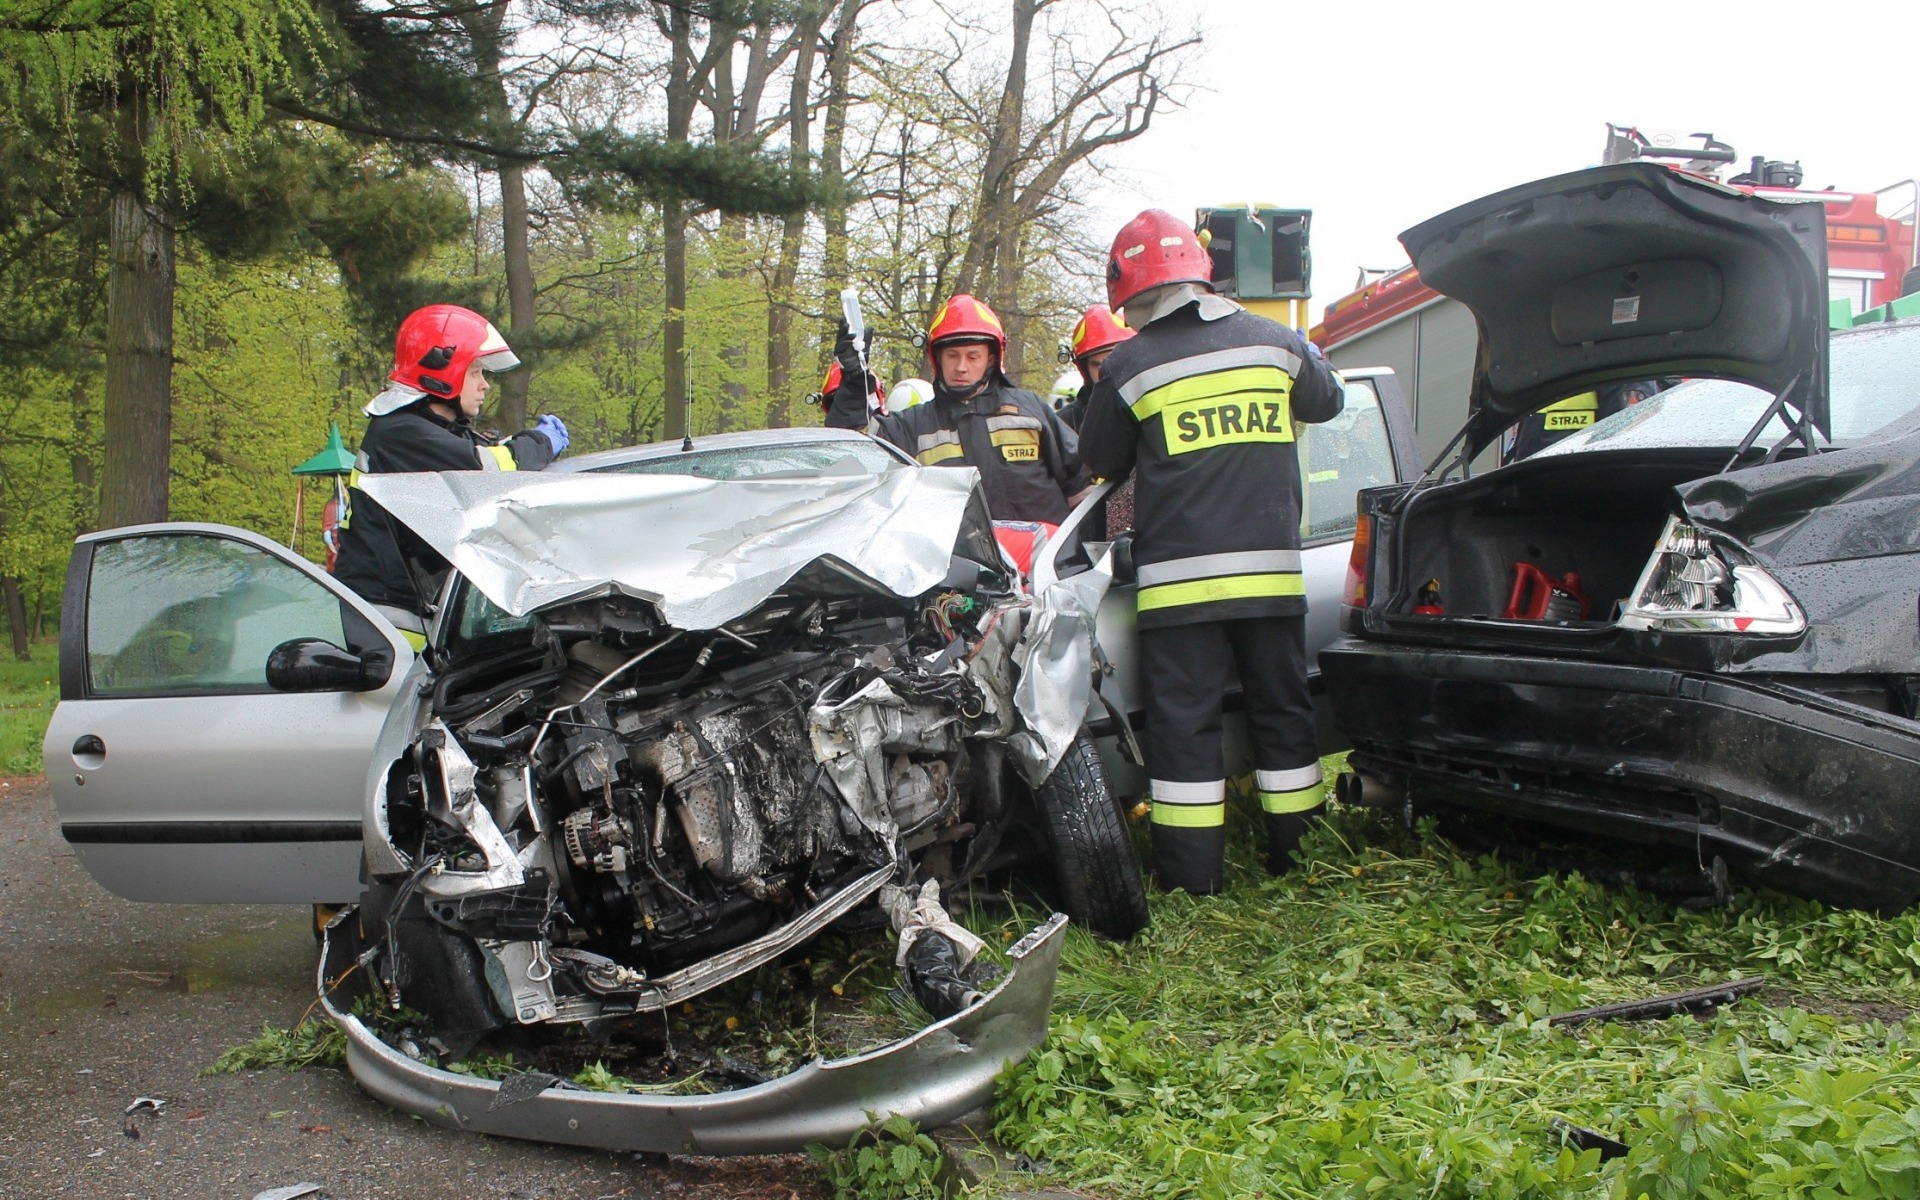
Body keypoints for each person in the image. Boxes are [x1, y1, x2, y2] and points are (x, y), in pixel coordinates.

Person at [1077, 209, 1344, 894]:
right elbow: (1327, 401)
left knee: (1185, 730)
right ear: (1202, 274)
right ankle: (1302, 856)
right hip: (1274, 578)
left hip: (1179, 591)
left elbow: (1100, 462)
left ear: (1129, 290)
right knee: (1284, 715)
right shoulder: (1275, 343)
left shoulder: (1129, 364)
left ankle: (1193, 881)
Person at [332, 304, 568, 642]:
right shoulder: (402, 432)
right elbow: (490, 469)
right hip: (390, 621)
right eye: (475, 373)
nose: (485, 385)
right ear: (442, 371)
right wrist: (541, 442)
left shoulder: (423, 430)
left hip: (409, 609)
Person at [824, 293, 1090, 524]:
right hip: (959, 575)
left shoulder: (1029, 411)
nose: (961, 367)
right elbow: (854, 451)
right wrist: (854, 385)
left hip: (1044, 570)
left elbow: (1083, 486)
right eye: (952, 356)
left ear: (991, 359)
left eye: (973, 356)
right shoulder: (913, 426)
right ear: (937, 358)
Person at [1055, 304, 1133, 431]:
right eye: (1097, 365)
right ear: (1084, 369)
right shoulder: (1066, 423)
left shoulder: (1153, 405)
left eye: (1114, 360)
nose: (1106, 372)